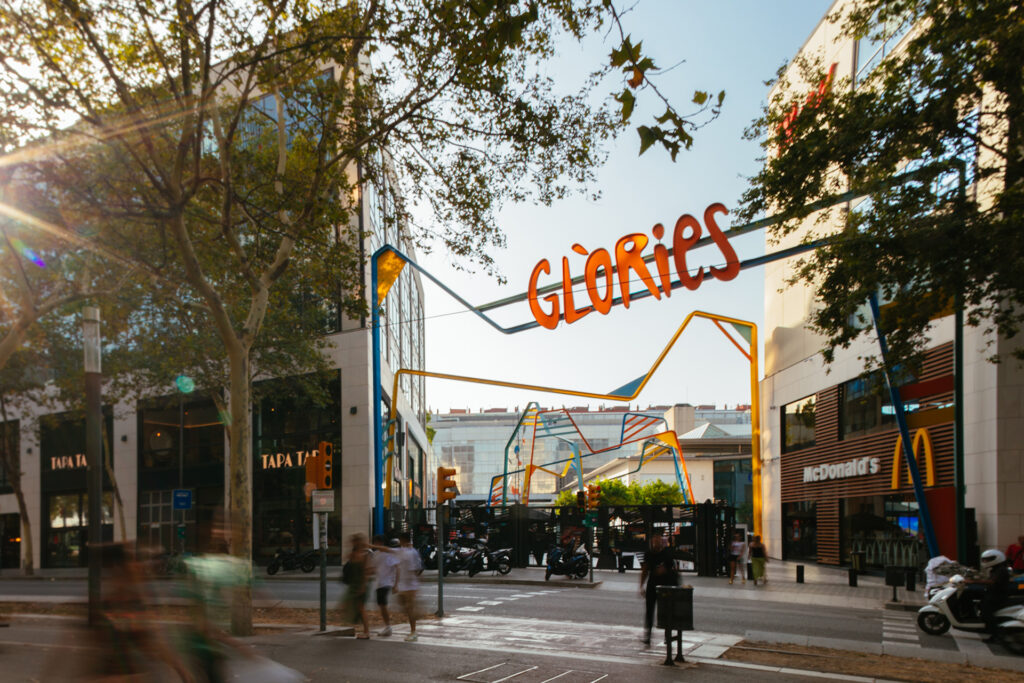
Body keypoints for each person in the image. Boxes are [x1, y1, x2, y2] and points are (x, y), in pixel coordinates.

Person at [639, 534, 678, 646]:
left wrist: (665, 570)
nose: (655, 543)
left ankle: (667, 636)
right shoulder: (648, 554)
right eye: (653, 541)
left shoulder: (666, 554)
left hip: (665, 586)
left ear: (661, 542)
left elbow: (673, 568)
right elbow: (645, 570)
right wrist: (641, 585)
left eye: (657, 541)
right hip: (652, 585)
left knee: (665, 611)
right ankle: (648, 636)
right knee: (649, 611)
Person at [339, 533, 373, 639]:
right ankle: (358, 625)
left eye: (354, 541)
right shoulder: (354, 554)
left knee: (361, 608)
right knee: (349, 604)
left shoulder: (365, 555)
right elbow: (347, 561)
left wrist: (363, 586)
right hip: (354, 585)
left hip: (360, 585)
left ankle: (366, 632)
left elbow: (367, 571)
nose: (353, 543)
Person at [974, 549, 1011, 641]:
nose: (985, 562)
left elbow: (992, 581)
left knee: (986, 613)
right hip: (994, 593)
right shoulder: (996, 569)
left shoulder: (1001, 570)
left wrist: (974, 581)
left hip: (997, 596)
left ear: (995, 559)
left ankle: (995, 634)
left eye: (987, 560)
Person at [393, 532, 423, 642]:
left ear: (402, 540)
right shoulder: (405, 551)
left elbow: (415, 569)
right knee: (405, 606)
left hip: (410, 586)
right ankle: (413, 629)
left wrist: (415, 587)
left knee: (410, 609)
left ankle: (413, 631)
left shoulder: (410, 552)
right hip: (405, 585)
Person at [370, 535, 399, 637]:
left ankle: (388, 627)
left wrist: (395, 584)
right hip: (379, 583)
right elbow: (373, 568)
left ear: (381, 543)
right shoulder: (375, 554)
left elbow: (397, 567)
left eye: (377, 543)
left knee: (383, 605)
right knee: (381, 605)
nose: (376, 545)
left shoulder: (388, 554)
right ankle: (387, 626)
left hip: (386, 583)